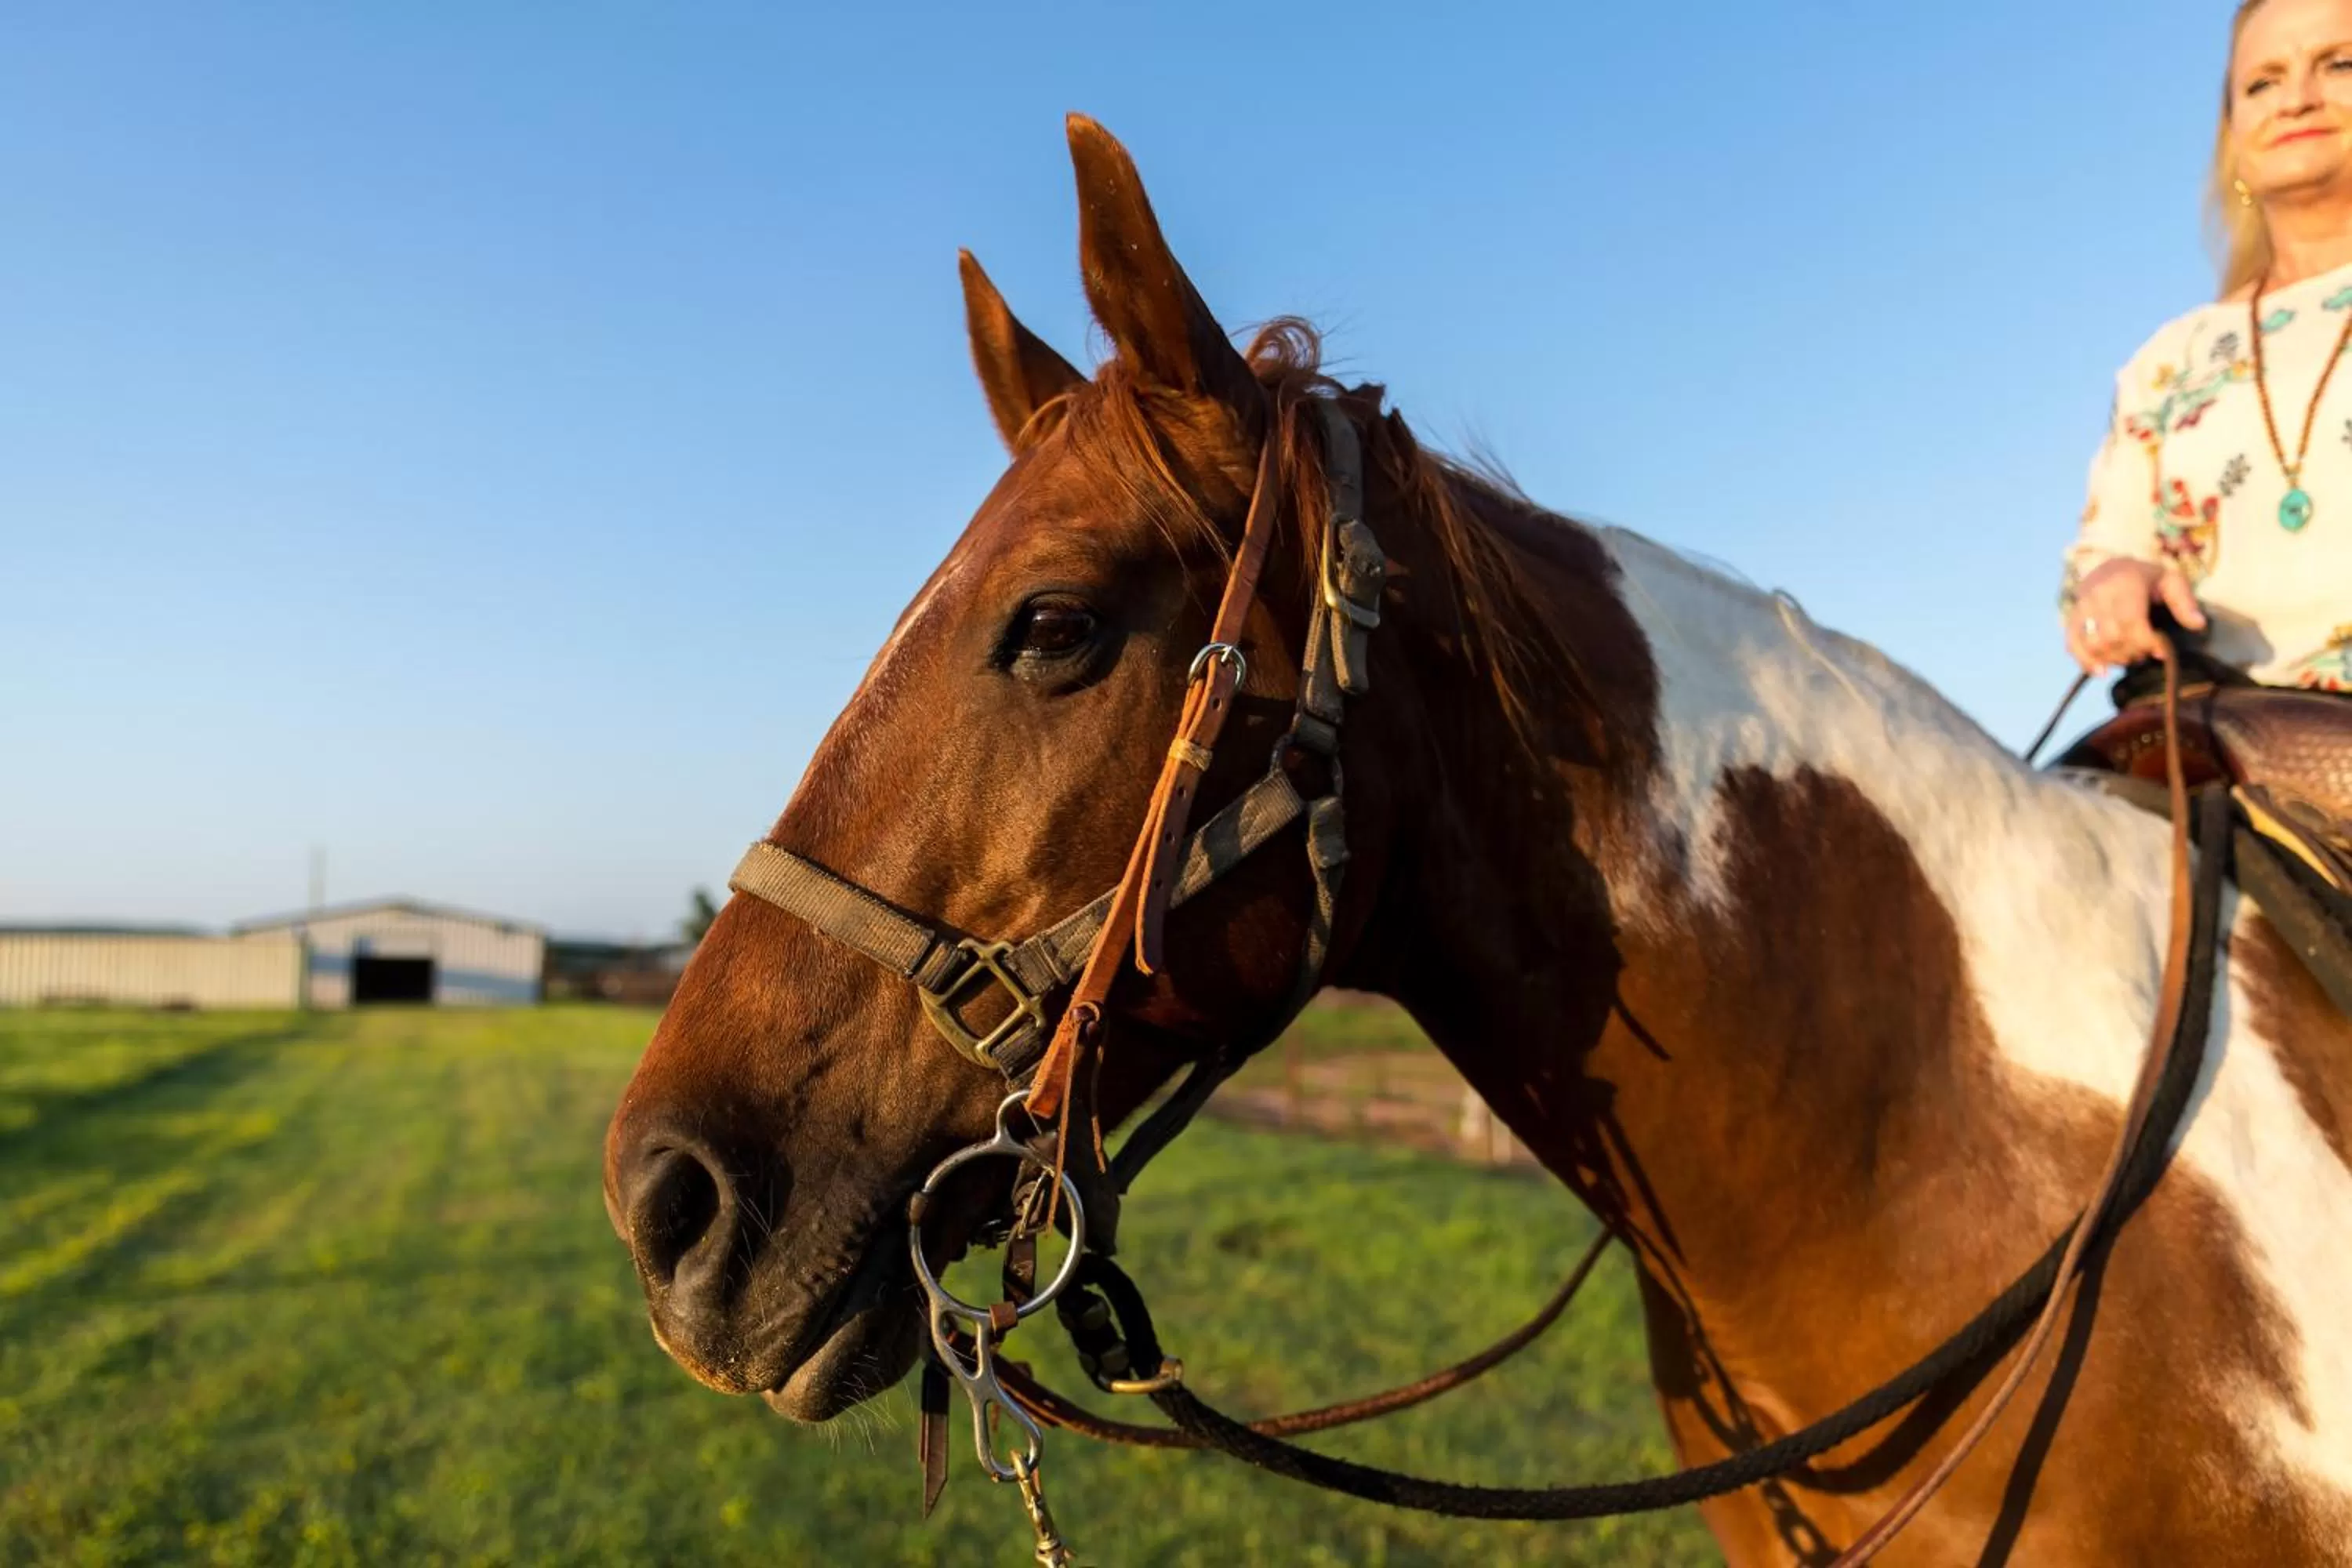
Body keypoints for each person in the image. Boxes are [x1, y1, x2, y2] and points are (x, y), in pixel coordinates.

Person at [2065, 0, 2352, 692]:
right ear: (2233, 134)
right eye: (2262, 82)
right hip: (2218, 720)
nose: (2295, 100)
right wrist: (2115, 584)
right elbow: (2099, 559)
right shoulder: (2169, 361)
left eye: (2340, 64)